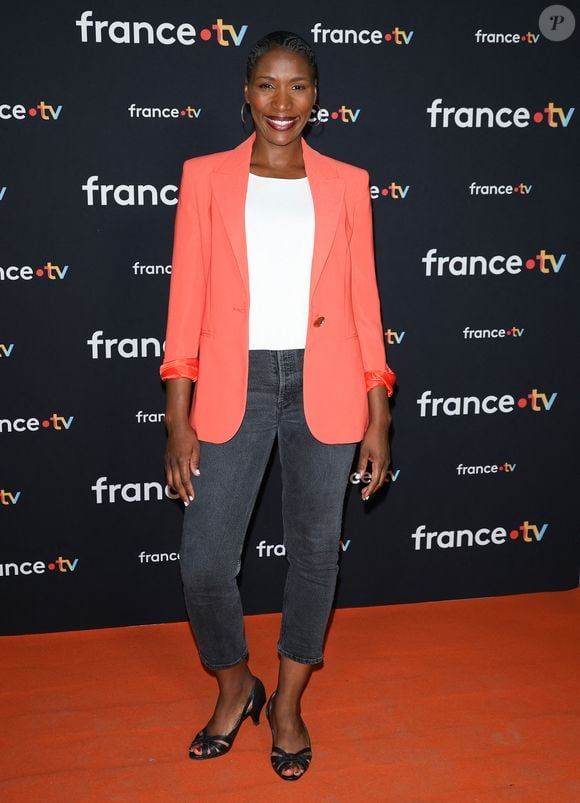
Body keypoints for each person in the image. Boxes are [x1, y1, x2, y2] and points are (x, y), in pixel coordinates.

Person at [160, 30, 397, 782]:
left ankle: (289, 702)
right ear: (246, 93)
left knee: (314, 557)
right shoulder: (204, 178)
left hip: (326, 388)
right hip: (236, 386)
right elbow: (185, 304)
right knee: (203, 563)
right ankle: (237, 686)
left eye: (297, 86)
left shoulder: (347, 182)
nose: (282, 102)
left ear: (316, 98)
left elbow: (364, 305)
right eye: (267, 85)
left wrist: (379, 411)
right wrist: (177, 415)